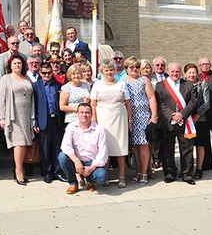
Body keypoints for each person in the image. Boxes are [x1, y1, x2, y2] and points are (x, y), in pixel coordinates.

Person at [91, 59, 132, 188]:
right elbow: (93, 104)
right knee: (105, 148)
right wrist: (94, 120)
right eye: (106, 70)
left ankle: (122, 177)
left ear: (115, 71)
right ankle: (106, 176)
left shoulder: (121, 84)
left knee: (120, 148)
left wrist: (130, 120)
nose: (109, 72)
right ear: (102, 71)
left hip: (119, 117)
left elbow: (128, 104)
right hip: (102, 118)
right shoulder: (97, 85)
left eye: (111, 70)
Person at [155, 62, 198, 184]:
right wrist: (171, 116)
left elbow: (193, 101)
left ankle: (187, 174)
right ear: (169, 72)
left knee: (187, 149)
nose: (175, 74)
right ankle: (170, 173)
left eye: (177, 71)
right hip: (168, 123)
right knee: (168, 149)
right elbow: (160, 103)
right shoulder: (160, 85)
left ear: (181, 72)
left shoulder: (188, 85)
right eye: (172, 71)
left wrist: (182, 114)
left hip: (184, 121)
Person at [0, 55, 35, 186]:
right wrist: (2, 117)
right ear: (10, 65)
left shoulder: (27, 78)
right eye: (14, 63)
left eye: (19, 63)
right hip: (13, 115)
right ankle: (19, 171)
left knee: (25, 142)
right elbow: (1, 100)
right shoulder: (6, 79)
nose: (17, 65)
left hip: (26, 114)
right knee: (19, 142)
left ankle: (19, 168)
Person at [58, 102, 108, 194]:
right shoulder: (71, 127)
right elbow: (65, 146)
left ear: (91, 114)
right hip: (76, 160)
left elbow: (102, 152)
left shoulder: (99, 129)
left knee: (102, 176)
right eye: (81, 112)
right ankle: (73, 183)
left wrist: (91, 168)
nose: (84, 115)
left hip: (91, 162)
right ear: (77, 114)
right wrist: (77, 161)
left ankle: (90, 182)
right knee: (62, 157)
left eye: (87, 113)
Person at [124, 57, 157, 184]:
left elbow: (151, 98)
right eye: (131, 67)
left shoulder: (144, 80)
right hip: (131, 117)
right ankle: (138, 171)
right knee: (135, 146)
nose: (134, 69)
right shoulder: (123, 82)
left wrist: (153, 116)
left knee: (144, 145)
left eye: (137, 67)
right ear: (126, 69)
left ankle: (144, 172)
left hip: (144, 116)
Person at [33, 63, 64, 183]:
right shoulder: (36, 86)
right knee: (45, 148)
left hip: (56, 120)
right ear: (40, 73)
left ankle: (57, 171)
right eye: (44, 73)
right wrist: (35, 122)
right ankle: (47, 172)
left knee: (57, 147)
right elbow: (34, 105)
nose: (47, 75)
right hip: (43, 120)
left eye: (49, 73)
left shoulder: (59, 86)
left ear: (52, 72)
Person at [183, 63, 210, 179]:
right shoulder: (181, 85)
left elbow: (207, 103)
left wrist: (197, 115)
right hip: (185, 120)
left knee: (200, 144)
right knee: (187, 146)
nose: (192, 74)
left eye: (194, 72)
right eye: (189, 72)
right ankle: (187, 169)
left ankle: (199, 169)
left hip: (200, 120)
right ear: (185, 74)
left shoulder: (203, 85)